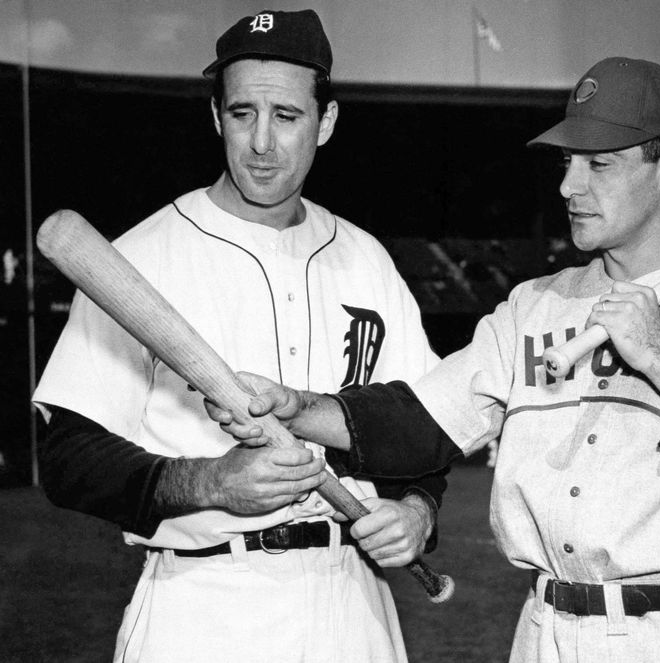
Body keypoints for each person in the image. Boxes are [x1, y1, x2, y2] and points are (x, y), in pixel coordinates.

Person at [210, 57, 660, 662]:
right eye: (569, 162)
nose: (570, 186)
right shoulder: (535, 306)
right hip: (548, 630)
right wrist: (295, 407)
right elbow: (420, 424)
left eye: (600, 164)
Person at [33, 9, 446, 663]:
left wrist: (417, 510)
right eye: (242, 113)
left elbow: (426, 428)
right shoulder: (146, 255)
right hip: (202, 603)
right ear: (215, 116)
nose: (261, 142)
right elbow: (67, 457)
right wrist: (206, 482)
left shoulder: (366, 261)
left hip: (352, 604)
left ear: (326, 122)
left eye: (286, 115)